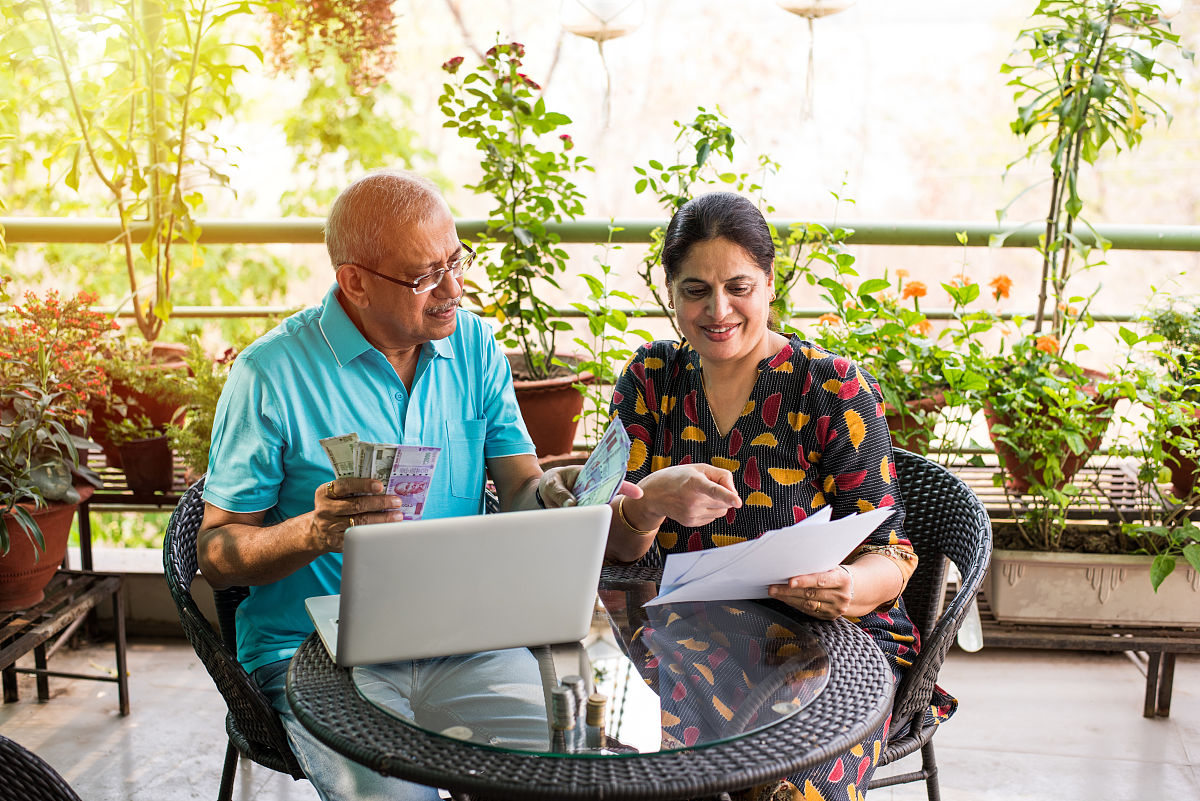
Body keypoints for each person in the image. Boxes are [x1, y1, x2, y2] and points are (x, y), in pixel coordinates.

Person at [197, 169, 607, 801]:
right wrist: (313, 532)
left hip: (462, 635)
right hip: (311, 654)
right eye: (424, 277)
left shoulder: (474, 347)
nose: (454, 290)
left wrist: (557, 493)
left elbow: (521, 488)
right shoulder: (270, 374)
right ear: (354, 281)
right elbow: (219, 558)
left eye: (455, 261)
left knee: (563, 779)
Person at [601, 192, 955, 800]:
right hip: (686, 629)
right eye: (695, 291)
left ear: (770, 284)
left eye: (739, 286)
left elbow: (891, 554)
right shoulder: (651, 380)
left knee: (788, 781)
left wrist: (849, 588)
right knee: (653, 772)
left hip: (827, 634)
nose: (718, 310)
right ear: (670, 293)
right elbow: (611, 549)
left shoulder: (831, 387)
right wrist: (650, 502)